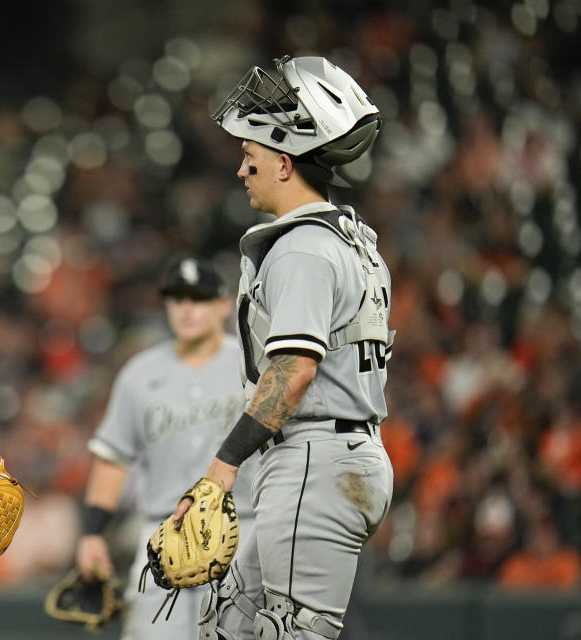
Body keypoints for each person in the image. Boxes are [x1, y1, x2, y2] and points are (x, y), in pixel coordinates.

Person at [174, 56, 395, 640]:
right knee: (229, 625)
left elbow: (295, 369)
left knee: (288, 633)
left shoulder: (302, 249)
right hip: (335, 454)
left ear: (286, 159)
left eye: (251, 157)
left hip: (315, 459)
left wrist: (220, 469)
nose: (242, 169)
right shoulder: (349, 240)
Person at [77, 256, 258, 639]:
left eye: (199, 298)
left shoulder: (252, 365)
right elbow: (112, 459)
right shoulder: (139, 374)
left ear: (224, 304)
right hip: (162, 539)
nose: (187, 309)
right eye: (178, 299)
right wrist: (93, 534)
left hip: (243, 534)